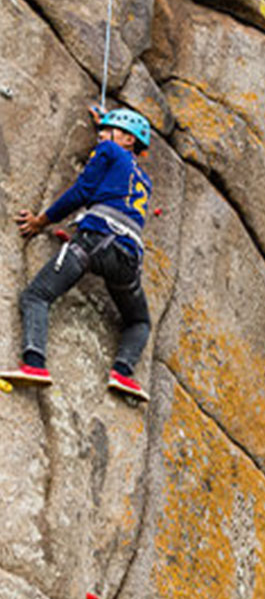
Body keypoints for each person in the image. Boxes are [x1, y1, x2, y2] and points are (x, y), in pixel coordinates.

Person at [4, 106, 154, 403]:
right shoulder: (144, 180)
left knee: (36, 296)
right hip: (128, 259)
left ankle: (34, 365)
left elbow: (81, 192)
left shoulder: (110, 149)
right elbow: (117, 181)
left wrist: (40, 221)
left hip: (94, 243)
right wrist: (108, 127)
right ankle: (123, 372)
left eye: (107, 131)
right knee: (140, 322)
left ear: (126, 139)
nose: (100, 136)